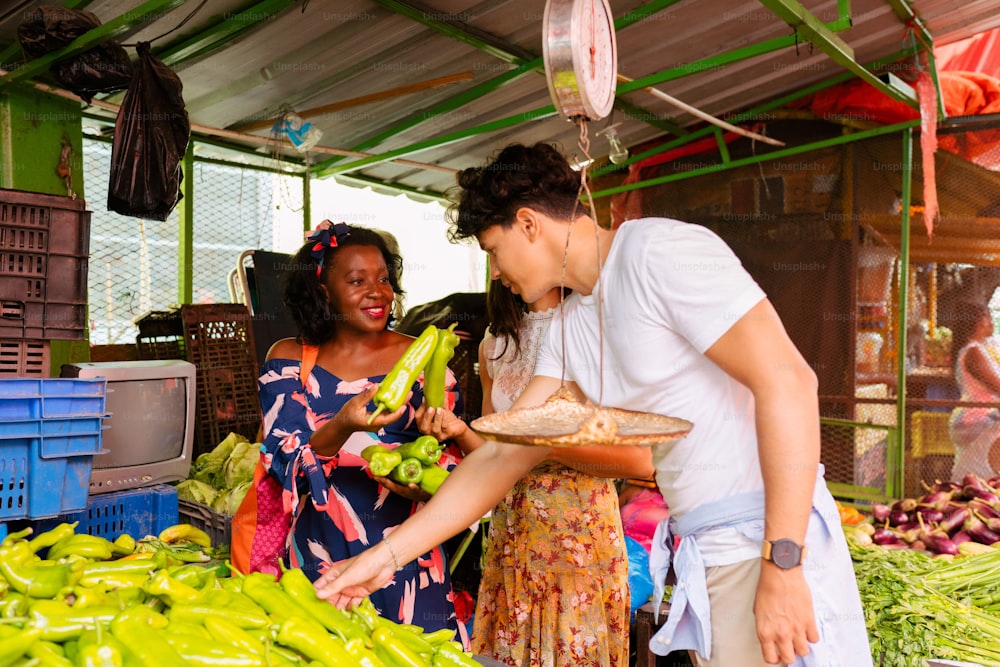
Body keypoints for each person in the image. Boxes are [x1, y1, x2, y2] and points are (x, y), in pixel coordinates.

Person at [314, 144, 872, 667]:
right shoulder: (569, 327)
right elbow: (502, 455)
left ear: (529, 225)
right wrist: (379, 562)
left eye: (494, 251)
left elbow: (789, 382)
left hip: (765, 540)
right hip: (709, 550)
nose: (498, 274)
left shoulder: (657, 252)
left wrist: (784, 561)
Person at [252, 220, 471, 640]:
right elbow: (283, 463)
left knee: (416, 652)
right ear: (323, 291)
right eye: (357, 281)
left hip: (408, 558)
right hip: (320, 554)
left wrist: (433, 473)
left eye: (384, 279)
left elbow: (451, 459)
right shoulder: (290, 360)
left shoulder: (424, 356)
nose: (378, 293)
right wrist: (343, 424)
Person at [468, 280, 651, 667]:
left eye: (497, 249)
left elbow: (639, 462)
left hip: (577, 543)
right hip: (511, 537)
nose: (496, 268)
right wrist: (457, 433)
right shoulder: (494, 342)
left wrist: (546, 444)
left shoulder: (593, 329)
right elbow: (492, 452)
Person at [947, 301, 1000, 480]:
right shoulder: (974, 352)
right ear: (977, 322)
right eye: (988, 317)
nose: (992, 322)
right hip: (978, 419)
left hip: (978, 418)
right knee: (980, 475)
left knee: (975, 473)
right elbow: (998, 385)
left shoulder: (976, 349)